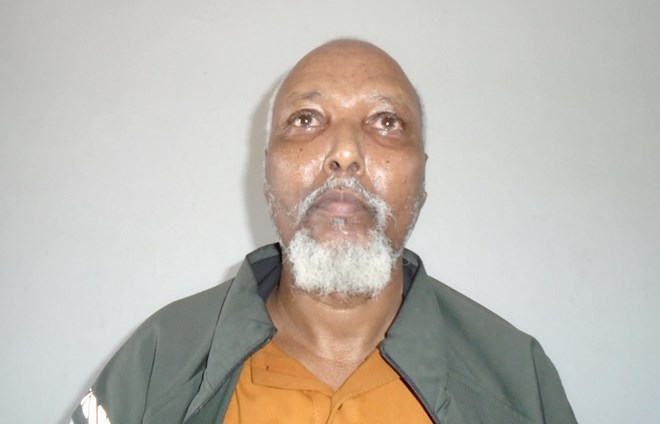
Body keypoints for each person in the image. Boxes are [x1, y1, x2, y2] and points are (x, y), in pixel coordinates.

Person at [71, 39, 577, 424]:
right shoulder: (159, 358)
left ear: (422, 177)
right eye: (306, 119)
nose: (345, 153)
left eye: (386, 122)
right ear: (267, 171)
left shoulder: (517, 376)